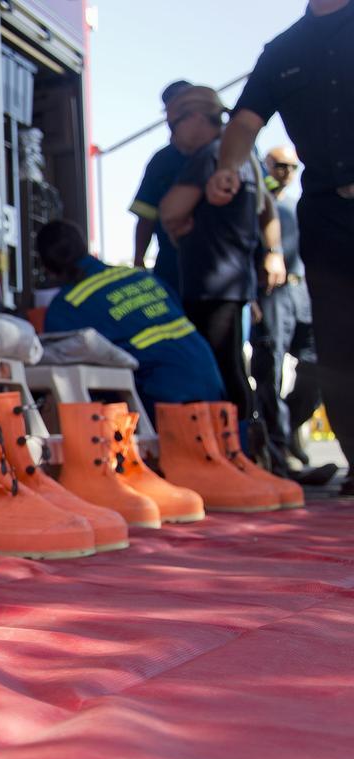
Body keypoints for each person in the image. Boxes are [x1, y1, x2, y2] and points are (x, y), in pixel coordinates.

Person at [204, 0, 353, 491]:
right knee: (337, 343)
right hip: (327, 212)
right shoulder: (283, 50)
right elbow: (245, 122)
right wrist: (228, 167)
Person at [158, 85, 285, 428]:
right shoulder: (242, 157)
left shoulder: (211, 155)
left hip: (212, 284)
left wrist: (176, 221)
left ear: (197, 117)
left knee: (219, 371)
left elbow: (170, 211)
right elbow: (268, 209)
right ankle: (243, 449)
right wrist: (273, 253)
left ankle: (236, 450)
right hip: (233, 281)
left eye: (173, 124)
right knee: (231, 367)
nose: (171, 135)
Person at [38, 219, 226, 417]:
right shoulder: (141, 277)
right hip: (210, 376)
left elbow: (64, 372)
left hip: (167, 396)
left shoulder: (66, 307)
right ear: (84, 247)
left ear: (47, 267)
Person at [250, 146, 336, 483]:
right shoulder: (257, 200)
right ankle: (279, 448)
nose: (286, 171)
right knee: (268, 369)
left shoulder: (302, 204)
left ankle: (286, 432)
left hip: (305, 293)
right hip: (272, 292)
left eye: (292, 166)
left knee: (316, 370)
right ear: (266, 166)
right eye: (279, 165)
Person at [130, 79, 192, 295]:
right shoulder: (161, 161)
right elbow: (146, 216)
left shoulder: (232, 148)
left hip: (228, 273)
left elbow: (263, 205)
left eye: (183, 108)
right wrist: (138, 261)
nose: (175, 118)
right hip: (173, 270)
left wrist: (271, 253)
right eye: (170, 111)